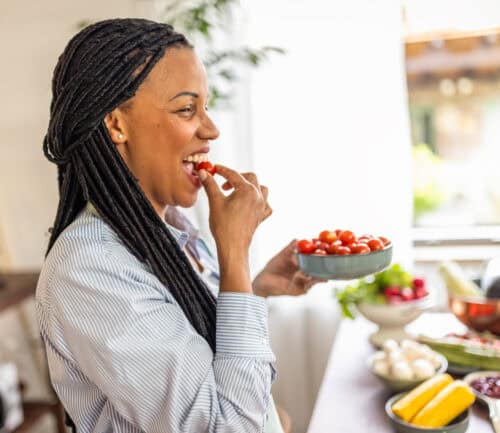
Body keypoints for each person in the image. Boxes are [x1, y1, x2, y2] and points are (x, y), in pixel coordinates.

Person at [36, 18, 321, 433]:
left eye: (205, 107)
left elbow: (215, 373)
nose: (211, 129)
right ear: (117, 124)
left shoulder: (173, 230)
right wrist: (235, 254)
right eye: (187, 108)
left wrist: (255, 289)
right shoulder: (89, 269)